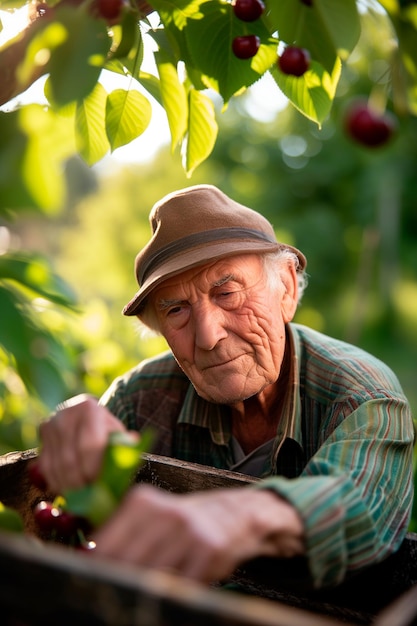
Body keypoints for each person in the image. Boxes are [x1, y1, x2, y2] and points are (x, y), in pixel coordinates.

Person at [37, 184, 414, 589]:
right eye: (176, 310)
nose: (208, 335)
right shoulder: (139, 397)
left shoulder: (362, 396)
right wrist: (71, 427)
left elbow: (359, 505)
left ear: (285, 288)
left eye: (227, 293)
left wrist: (237, 515)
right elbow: (71, 494)